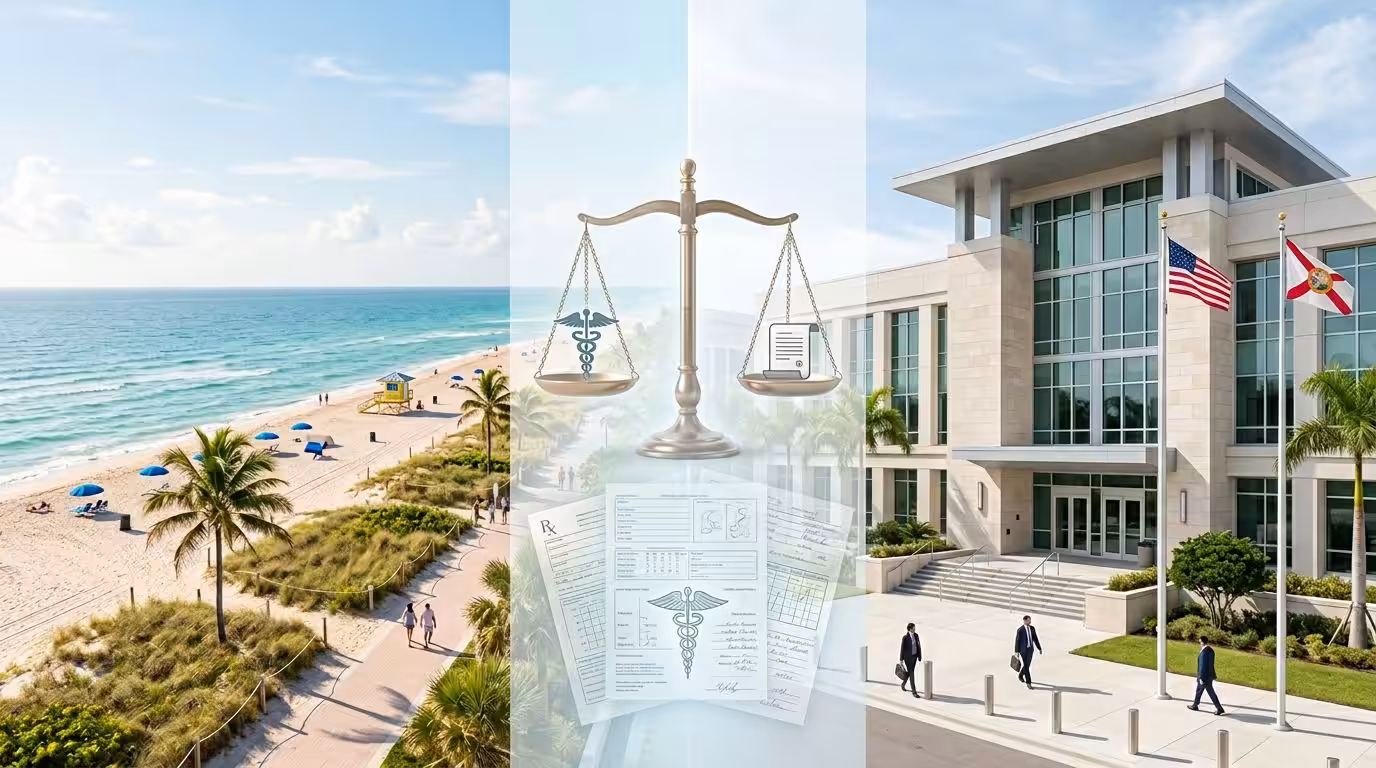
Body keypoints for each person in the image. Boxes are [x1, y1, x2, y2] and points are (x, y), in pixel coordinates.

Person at [1188, 636, 1225, 715]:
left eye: (1200, 642)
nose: (1199, 643)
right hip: (1209, 675)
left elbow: (1202, 666)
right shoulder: (1211, 650)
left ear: (1202, 642)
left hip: (1204, 676)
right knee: (1199, 691)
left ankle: (1219, 708)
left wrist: (1201, 677)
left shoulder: (1204, 652)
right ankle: (1195, 705)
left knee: (1210, 693)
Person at [1014, 615, 1042, 689]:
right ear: (1025, 620)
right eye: (1029, 620)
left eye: (1030, 620)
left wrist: (1039, 648)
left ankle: (1020, 675)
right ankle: (1028, 683)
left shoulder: (1032, 628)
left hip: (1030, 650)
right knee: (1026, 666)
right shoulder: (1020, 630)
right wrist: (1017, 652)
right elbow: (1017, 641)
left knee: (1027, 665)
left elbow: (1035, 638)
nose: (1030, 621)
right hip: (1023, 651)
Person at [898, 622, 923, 697]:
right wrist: (901, 659)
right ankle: (914, 691)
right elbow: (902, 649)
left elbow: (918, 646)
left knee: (909, 672)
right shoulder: (905, 637)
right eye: (913, 628)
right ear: (910, 629)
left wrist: (919, 656)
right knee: (911, 673)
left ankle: (903, 684)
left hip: (914, 657)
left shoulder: (916, 635)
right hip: (908, 658)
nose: (915, 629)